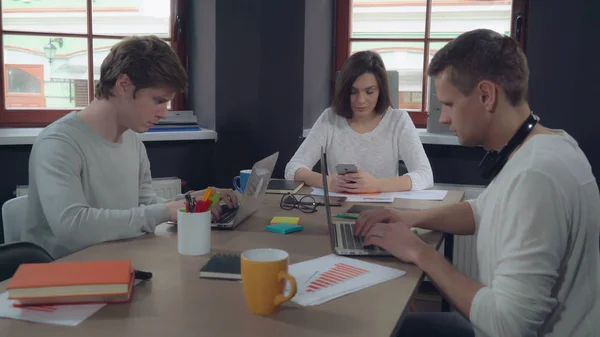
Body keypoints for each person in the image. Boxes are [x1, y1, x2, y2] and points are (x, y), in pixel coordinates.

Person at [355, 29, 600, 337]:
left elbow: (507, 325)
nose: (443, 117)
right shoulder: (548, 146)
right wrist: (407, 218)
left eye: (448, 103)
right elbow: (482, 211)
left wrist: (419, 251)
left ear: (486, 96)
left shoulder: (536, 176)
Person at [22, 35, 238, 260]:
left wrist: (190, 201)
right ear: (123, 85)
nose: (164, 113)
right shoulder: (59, 143)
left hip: (116, 266)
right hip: (60, 279)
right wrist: (167, 210)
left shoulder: (133, 141)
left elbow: (145, 208)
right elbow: (73, 228)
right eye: (158, 100)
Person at [284, 50, 433, 193]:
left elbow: (425, 176)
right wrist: (327, 181)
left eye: (369, 92)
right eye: (353, 92)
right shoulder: (330, 118)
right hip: (338, 209)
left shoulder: (398, 121)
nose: (361, 101)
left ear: (380, 90)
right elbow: (292, 169)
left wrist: (375, 185)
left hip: (385, 213)